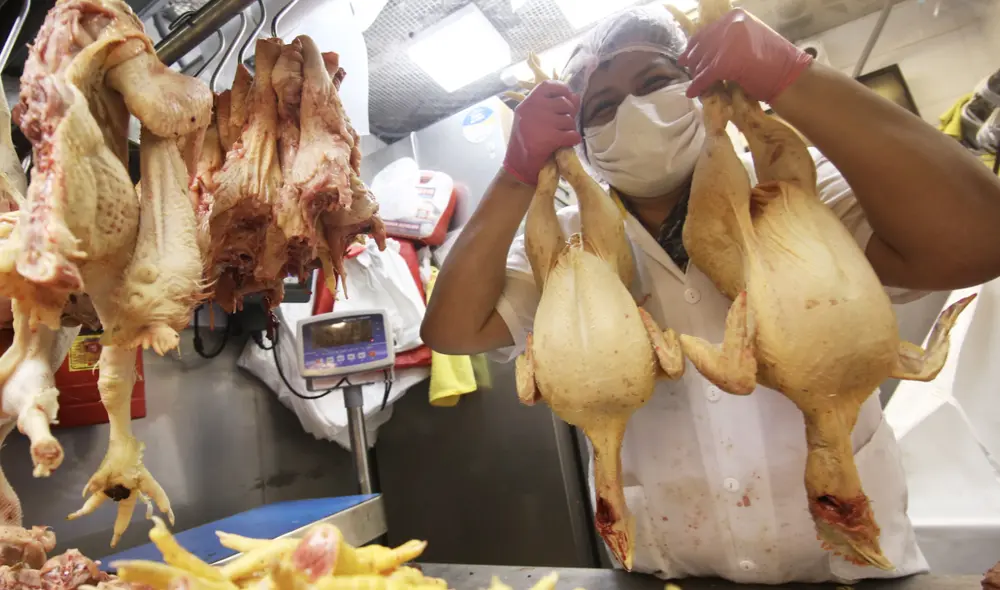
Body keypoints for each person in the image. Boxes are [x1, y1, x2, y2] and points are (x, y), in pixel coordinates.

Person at [420, 4, 1000, 585]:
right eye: (602, 107)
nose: (634, 108)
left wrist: (791, 76)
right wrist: (516, 174)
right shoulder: (568, 243)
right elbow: (450, 330)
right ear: (588, 145)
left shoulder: (795, 189)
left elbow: (981, 239)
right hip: (673, 572)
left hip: (852, 565)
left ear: (698, 89)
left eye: (654, 82)